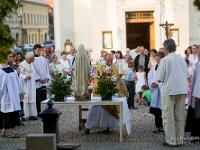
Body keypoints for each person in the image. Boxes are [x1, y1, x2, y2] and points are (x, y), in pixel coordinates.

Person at [155, 39, 188, 147]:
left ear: (165, 49)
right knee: (179, 116)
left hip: (169, 90)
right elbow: (187, 74)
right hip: (181, 89)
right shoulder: (181, 59)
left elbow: (159, 78)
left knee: (168, 116)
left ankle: (171, 140)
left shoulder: (165, 60)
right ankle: (179, 140)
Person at [85, 53, 123, 134]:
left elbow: (116, 76)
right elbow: (99, 77)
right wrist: (108, 80)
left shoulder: (113, 65)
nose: (110, 63)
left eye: (111, 61)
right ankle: (89, 126)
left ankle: (107, 126)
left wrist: (116, 81)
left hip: (110, 91)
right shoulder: (100, 65)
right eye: (108, 61)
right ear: (105, 59)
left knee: (107, 110)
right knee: (94, 109)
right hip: (100, 91)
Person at [0, 64, 21, 138]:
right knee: (5, 114)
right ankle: (7, 130)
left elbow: (17, 83)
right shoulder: (2, 71)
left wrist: (19, 92)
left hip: (11, 96)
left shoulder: (12, 71)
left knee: (9, 114)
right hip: (5, 96)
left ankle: (10, 131)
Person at [148, 52, 165, 133]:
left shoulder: (165, 67)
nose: (157, 61)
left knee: (162, 110)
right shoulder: (153, 68)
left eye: (158, 59)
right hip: (155, 91)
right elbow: (149, 77)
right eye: (156, 59)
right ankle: (157, 126)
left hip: (162, 91)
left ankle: (163, 126)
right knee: (156, 111)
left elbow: (166, 78)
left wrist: (158, 84)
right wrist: (151, 84)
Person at [185, 57, 200, 144]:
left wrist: (198, 94)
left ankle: (197, 136)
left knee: (197, 115)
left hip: (198, 94)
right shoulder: (198, 64)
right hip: (196, 93)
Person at [32, 44, 50, 113]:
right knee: (38, 98)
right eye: (38, 50)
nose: (39, 51)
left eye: (40, 50)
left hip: (44, 82)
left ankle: (44, 110)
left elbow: (46, 69)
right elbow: (33, 70)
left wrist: (46, 78)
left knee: (44, 97)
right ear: (34, 50)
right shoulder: (32, 59)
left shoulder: (43, 58)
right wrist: (39, 79)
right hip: (38, 82)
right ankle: (38, 111)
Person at [20, 52, 38, 120]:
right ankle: (26, 115)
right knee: (26, 99)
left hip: (32, 84)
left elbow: (34, 74)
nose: (34, 59)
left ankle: (32, 114)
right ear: (30, 58)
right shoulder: (22, 65)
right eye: (33, 57)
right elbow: (19, 75)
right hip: (26, 85)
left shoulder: (31, 64)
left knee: (32, 99)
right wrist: (25, 77)